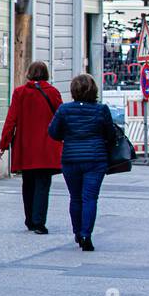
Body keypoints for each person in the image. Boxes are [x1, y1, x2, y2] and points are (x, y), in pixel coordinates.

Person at [48, 73, 116, 252]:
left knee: (75, 197)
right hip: (95, 159)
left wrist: (68, 136)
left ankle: (77, 233)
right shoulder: (101, 110)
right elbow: (111, 134)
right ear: (93, 90)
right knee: (90, 198)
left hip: (71, 159)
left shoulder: (64, 110)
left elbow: (53, 132)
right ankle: (87, 235)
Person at [0, 61, 64, 234]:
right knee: (43, 184)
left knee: (27, 183)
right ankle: (39, 222)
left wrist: (3, 145)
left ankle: (29, 220)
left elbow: (11, 120)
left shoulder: (19, 93)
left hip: (25, 147)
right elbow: (61, 118)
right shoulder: (53, 93)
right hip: (47, 147)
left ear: (29, 73)